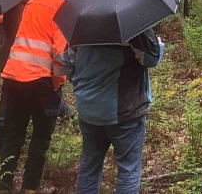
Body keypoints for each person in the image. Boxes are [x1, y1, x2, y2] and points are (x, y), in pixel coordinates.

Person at [65, 28, 164, 194]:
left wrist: (86, 90)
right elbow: (151, 58)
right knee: (128, 170)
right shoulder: (131, 23)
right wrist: (157, 43)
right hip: (125, 111)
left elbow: (68, 62)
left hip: (88, 109)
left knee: (89, 167)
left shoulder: (80, 23)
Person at [0, 0, 68, 194]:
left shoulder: (35, 0)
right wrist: (58, 82)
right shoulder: (65, 6)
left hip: (14, 75)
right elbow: (60, 54)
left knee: (13, 135)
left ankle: (3, 186)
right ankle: (30, 188)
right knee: (41, 138)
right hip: (42, 81)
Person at [0, 0, 32, 153]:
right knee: (10, 97)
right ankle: (4, 140)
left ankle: (1, 139)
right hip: (16, 55)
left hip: (8, 52)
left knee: (7, 95)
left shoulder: (8, 1)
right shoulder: (21, 6)